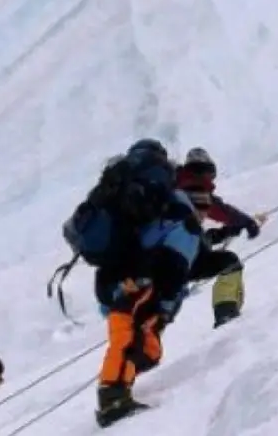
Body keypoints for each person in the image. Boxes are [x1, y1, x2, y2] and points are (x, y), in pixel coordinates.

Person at [88, 139, 203, 427]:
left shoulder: (115, 190)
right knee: (128, 332)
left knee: (141, 340)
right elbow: (177, 244)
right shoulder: (162, 192)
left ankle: (117, 385)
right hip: (138, 273)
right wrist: (167, 293)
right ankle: (113, 397)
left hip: (112, 274)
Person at [176, 147, 265, 328]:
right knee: (230, 263)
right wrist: (246, 222)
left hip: (155, 262)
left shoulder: (172, 191)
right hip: (177, 263)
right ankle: (226, 315)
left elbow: (185, 235)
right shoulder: (194, 189)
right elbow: (222, 211)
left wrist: (222, 234)